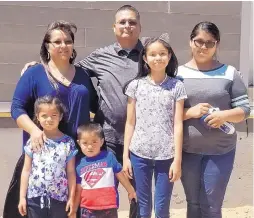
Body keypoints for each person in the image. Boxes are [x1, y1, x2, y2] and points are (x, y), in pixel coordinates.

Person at [20, 5, 142, 166]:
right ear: (114, 27)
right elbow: (63, 68)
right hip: (103, 139)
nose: (127, 26)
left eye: (132, 22)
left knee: (139, 190)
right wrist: (41, 66)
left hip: (139, 137)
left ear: (140, 27)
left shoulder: (151, 55)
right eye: (122, 22)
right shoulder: (100, 56)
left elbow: (91, 99)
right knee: (104, 189)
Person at [4, 20, 98, 218]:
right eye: (57, 41)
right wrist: (34, 130)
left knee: (76, 210)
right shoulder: (34, 73)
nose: (63, 45)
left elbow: (97, 107)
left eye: (68, 41)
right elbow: (16, 108)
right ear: (47, 46)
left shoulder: (82, 75)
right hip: (44, 159)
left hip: (77, 155)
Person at [177, 21, 251, 218]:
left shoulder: (230, 73)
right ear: (191, 42)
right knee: (193, 204)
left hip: (220, 152)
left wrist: (224, 116)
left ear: (217, 45)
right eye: (199, 41)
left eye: (209, 43)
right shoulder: (177, 74)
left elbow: (244, 109)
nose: (203, 47)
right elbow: (168, 113)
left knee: (212, 206)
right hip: (187, 151)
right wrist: (188, 113)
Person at [123, 33, 187, 218]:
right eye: (152, 54)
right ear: (145, 58)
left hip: (166, 156)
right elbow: (130, 122)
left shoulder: (177, 86)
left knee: (161, 208)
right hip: (139, 154)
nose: (157, 58)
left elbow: (178, 125)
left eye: (162, 53)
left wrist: (177, 160)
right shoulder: (135, 86)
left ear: (169, 56)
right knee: (143, 208)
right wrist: (126, 157)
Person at [18, 96, 77, 218]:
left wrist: (71, 198)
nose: (49, 119)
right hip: (35, 199)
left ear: (60, 117)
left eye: (54, 115)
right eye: (44, 115)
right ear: (38, 117)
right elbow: (26, 170)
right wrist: (22, 198)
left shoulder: (68, 143)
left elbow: (71, 172)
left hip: (59, 199)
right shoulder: (33, 142)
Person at [72, 123, 136, 218]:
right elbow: (78, 189)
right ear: (79, 143)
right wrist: (74, 209)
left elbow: (120, 175)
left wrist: (131, 190)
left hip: (109, 208)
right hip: (87, 209)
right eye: (85, 143)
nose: (90, 147)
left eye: (94, 142)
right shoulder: (79, 165)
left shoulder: (109, 157)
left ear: (101, 142)